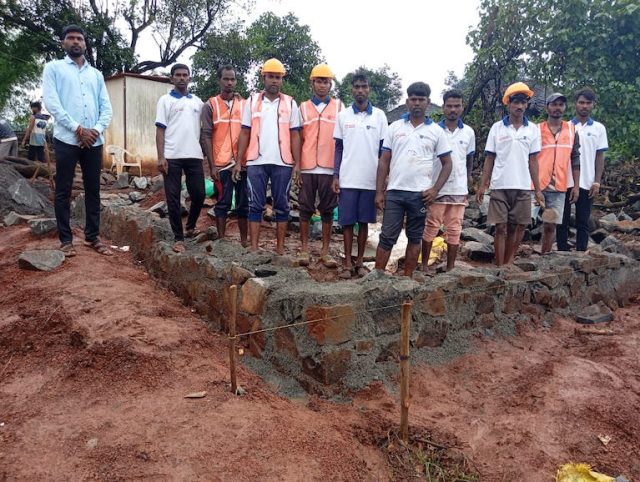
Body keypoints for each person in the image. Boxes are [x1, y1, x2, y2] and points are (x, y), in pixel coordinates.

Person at [42, 25, 113, 257]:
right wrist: (78, 129)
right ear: (63, 43)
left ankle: (93, 237)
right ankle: (65, 240)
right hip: (66, 139)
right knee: (63, 190)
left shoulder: (96, 74)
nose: (75, 42)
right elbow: (53, 104)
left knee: (93, 190)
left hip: (94, 140)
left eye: (79, 38)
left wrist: (95, 130)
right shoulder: (54, 68)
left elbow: (106, 108)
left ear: (85, 44)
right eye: (70, 38)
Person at [375, 82, 452, 277]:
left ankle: (407, 279)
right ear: (407, 101)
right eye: (413, 99)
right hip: (395, 192)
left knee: (415, 237)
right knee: (387, 237)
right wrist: (379, 192)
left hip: (420, 195)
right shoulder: (395, 128)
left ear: (428, 102)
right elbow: (384, 161)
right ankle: (375, 279)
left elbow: (448, 163)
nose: (417, 103)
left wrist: (435, 190)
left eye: (421, 100)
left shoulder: (436, 131)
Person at [234, 58, 302, 255]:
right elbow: (245, 132)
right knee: (255, 204)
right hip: (256, 161)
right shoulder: (252, 101)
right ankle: (254, 249)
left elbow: (295, 134)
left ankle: (279, 249)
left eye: (278, 77)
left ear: (282, 79)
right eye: (270, 76)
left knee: (282, 205)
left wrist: (297, 164)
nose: (274, 81)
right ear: (264, 77)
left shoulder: (290, 103)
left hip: (283, 162)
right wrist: (239, 161)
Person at [476, 82, 544, 266]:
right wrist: (483, 185)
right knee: (500, 227)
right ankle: (499, 266)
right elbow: (490, 158)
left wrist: (537, 189)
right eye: (516, 102)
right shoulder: (497, 128)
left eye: (523, 102)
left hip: (522, 185)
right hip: (500, 185)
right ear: (508, 103)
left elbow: (533, 161)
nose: (519, 106)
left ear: (527, 104)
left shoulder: (532, 130)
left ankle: (508, 263)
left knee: (517, 227)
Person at [333, 73, 388, 279]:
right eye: (356, 87)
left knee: (364, 222)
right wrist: (335, 175)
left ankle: (359, 263)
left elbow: (384, 150)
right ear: (351, 89)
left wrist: (382, 181)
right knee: (347, 222)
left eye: (364, 86)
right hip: (348, 178)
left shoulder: (380, 116)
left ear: (369, 89)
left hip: (370, 179)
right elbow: (338, 148)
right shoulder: (343, 116)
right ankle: (347, 262)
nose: (360, 90)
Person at [421, 89, 475, 272]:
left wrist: (467, 183)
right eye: (449, 106)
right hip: (436, 188)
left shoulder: (468, 132)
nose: (453, 109)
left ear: (462, 108)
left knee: (454, 230)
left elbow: (469, 160)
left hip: (458, 190)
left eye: (457, 106)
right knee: (431, 227)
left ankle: (451, 268)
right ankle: (424, 267)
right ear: (443, 107)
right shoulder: (434, 130)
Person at [297, 63, 344, 268]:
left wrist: (338, 171)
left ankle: (325, 252)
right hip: (307, 166)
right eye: (319, 81)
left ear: (330, 84)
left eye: (326, 81)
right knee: (305, 209)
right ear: (312, 83)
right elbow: (297, 137)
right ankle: (304, 250)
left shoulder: (340, 107)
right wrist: (296, 165)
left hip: (328, 166)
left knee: (327, 209)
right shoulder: (303, 107)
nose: (322, 85)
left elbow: (342, 141)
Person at [155, 63, 205, 253]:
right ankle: (178, 238)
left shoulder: (197, 102)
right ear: (172, 78)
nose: (182, 78)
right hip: (172, 156)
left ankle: (190, 226)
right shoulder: (165, 100)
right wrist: (161, 157)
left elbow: (212, 114)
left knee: (199, 194)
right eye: (178, 75)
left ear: (190, 78)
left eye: (185, 75)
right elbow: (160, 130)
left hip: (194, 155)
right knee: (173, 198)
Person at [200, 65, 248, 246]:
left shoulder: (244, 104)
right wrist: (212, 165)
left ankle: (244, 243)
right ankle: (221, 241)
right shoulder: (210, 105)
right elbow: (206, 136)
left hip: (243, 163)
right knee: (223, 202)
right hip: (221, 164)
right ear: (219, 80)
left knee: (243, 204)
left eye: (233, 79)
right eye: (226, 79)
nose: (230, 82)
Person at [556, 87, 608, 252]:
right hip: (564, 180)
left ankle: (581, 253)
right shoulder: (566, 127)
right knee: (561, 220)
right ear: (575, 104)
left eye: (588, 103)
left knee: (583, 221)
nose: (584, 106)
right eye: (581, 102)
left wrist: (597, 182)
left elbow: (599, 156)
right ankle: (562, 253)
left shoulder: (599, 128)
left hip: (587, 180)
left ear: (593, 105)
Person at [537, 93, 580, 253]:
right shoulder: (536, 129)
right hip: (536, 187)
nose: (557, 108)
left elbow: (575, 160)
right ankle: (512, 260)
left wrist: (575, 186)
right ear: (547, 107)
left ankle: (544, 257)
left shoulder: (571, 130)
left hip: (557, 189)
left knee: (550, 225)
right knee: (521, 223)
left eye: (561, 105)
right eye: (554, 104)